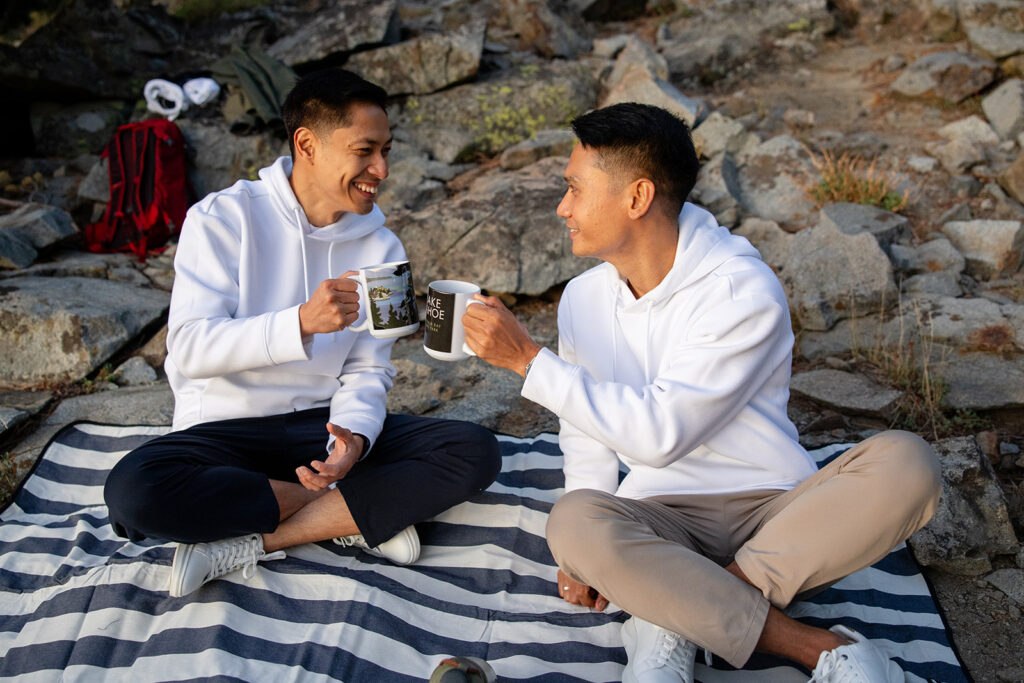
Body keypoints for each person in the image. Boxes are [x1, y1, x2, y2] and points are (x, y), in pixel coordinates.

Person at [462, 102, 941, 683]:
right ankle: (819, 649)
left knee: (907, 463)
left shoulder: (741, 289)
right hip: (657, 515)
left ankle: (672, 615)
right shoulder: (583, 298)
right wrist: (578, 556)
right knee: (572, 523)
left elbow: (661, 433)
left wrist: (526, 359)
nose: (563, 208)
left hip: (773, 514)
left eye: (574, 189)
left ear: (636, 198)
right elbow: (585, 429)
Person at [104, 69, 501, 598]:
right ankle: (352, 515)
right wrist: (300, 323)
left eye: (386, 150)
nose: (380, 169)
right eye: (365, 151)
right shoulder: (222, 218)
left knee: (473, 449)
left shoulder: (383, 247)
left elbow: (369, 367)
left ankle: (261, 538)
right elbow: (191, 348)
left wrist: (353, 439)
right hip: (228, 433)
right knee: (134, 492)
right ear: (307, 144)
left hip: (322, 430)